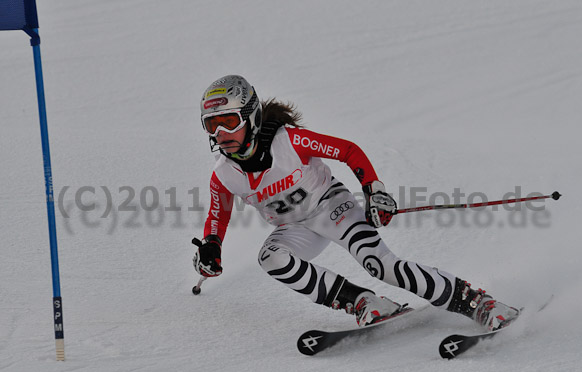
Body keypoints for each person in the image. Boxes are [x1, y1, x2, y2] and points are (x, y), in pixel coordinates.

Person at [193, 74, 519, 330]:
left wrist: (373, 190)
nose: (221, 132)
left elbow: (348, 150)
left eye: (229, 121)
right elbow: (218, 213)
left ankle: (478, 303)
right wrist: (211, 245)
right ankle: (363, 302)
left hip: (333, 208)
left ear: (251, 116)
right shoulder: (224, 174)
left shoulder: (288, 141)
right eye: (212, 124)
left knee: (381, 265)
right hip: (294, 228)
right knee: (272, 259)